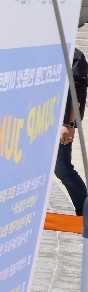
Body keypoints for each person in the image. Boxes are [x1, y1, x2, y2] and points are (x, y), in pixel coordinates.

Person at [57, 47, 88, 214]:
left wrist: (69, 124)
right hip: (35, 121)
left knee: (63, 169)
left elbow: (78, 92)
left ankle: (84, 213)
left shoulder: (74, 55)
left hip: (60, 123)